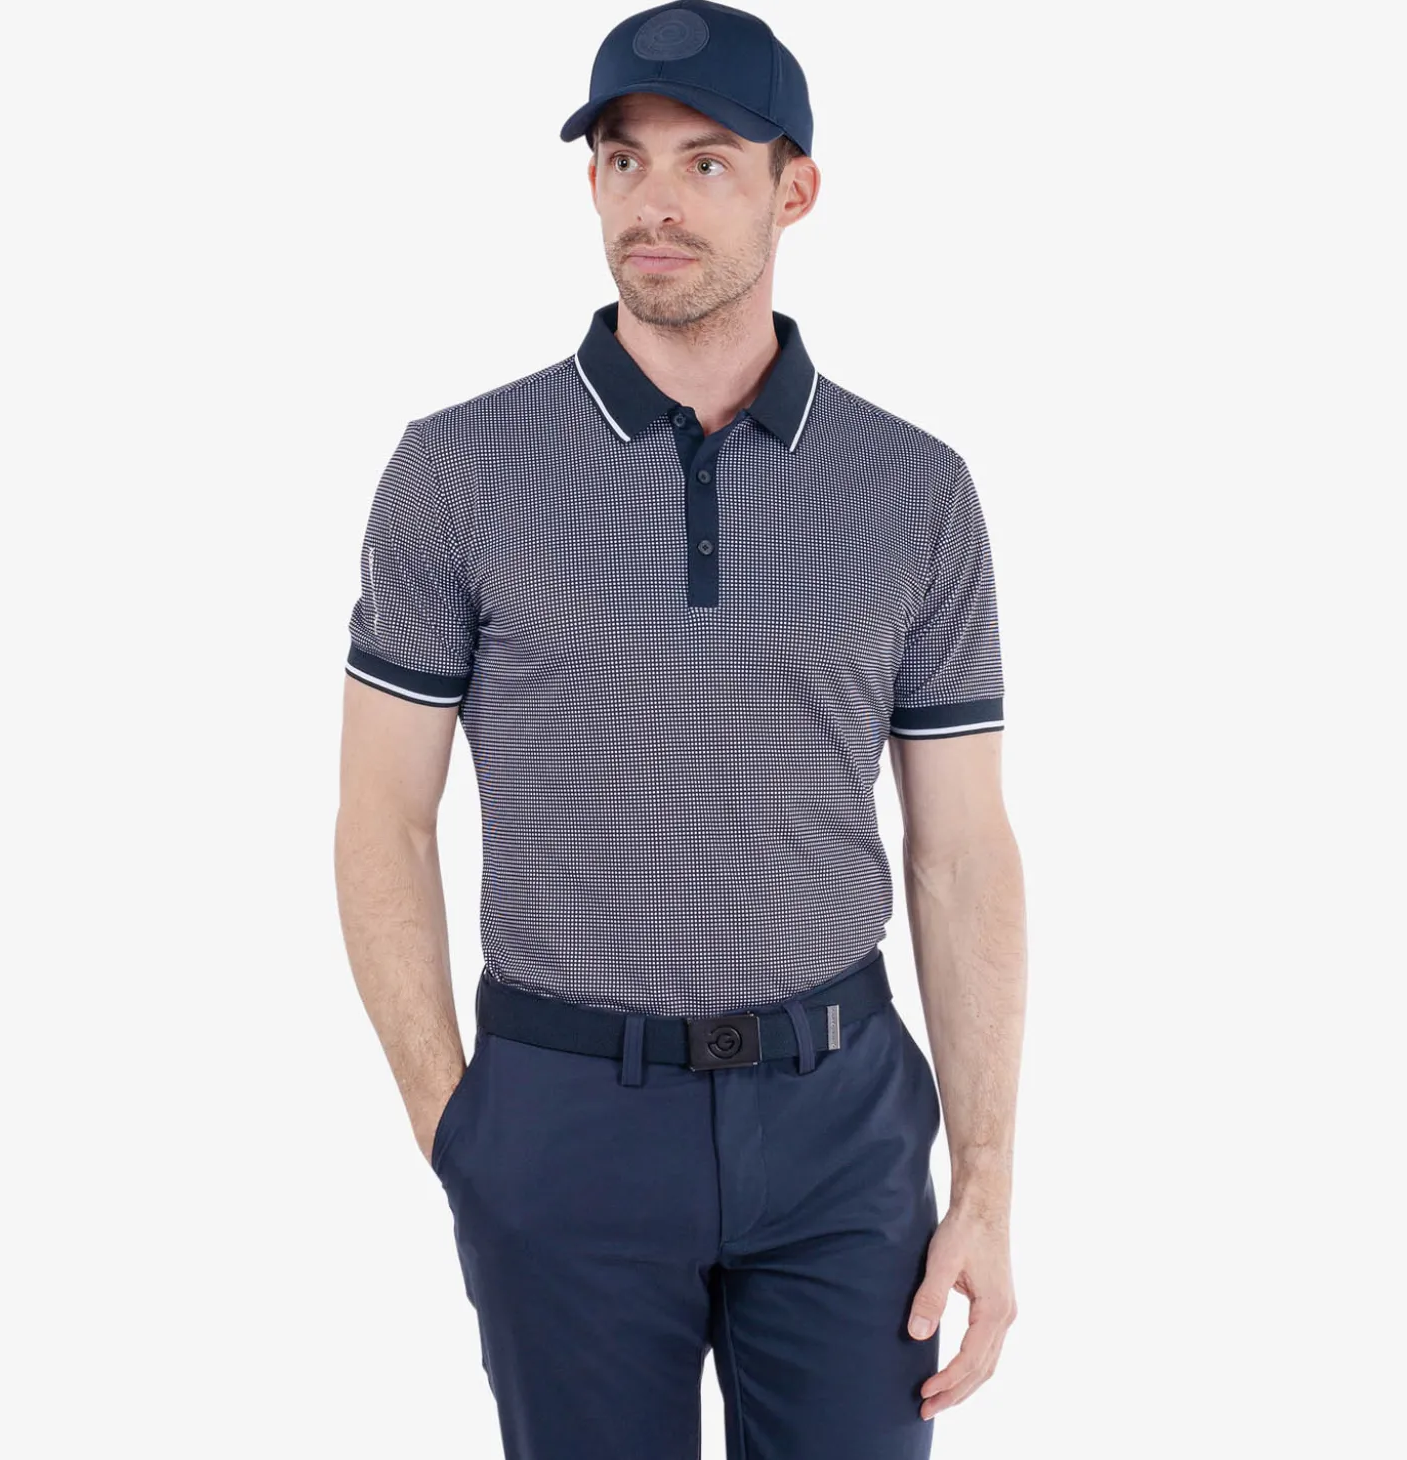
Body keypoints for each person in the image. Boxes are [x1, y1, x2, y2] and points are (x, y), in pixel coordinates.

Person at [333, 3, 1027, 1455]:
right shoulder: (461, 470)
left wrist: (982, 1187)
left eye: (708, 162)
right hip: (563, 1118)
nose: (654, 201)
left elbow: (961, 849)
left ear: (796, 190)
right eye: (622, 158)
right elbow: (382, 817)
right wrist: (457, 1129)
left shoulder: (911, 488)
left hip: (841, 1125)